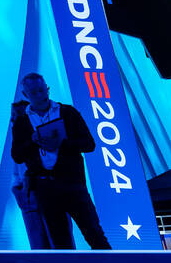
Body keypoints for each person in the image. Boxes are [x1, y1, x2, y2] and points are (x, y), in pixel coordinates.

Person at [11, 73, 111, 250]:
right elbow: (17, 155)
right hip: (45, 187)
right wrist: (32, 141)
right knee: (60, 241)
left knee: (94, 232)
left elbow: (89, 143)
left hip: (72, 183)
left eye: (42, 90)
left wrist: (62, 143)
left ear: (47, 89)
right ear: (26, 95)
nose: (39, 95)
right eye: (33, 92)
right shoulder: (22, 122)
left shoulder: (68, 112)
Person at [9, 100, 54, 249]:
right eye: (13, 116)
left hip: (47, 186)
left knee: (57, 238)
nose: (14, 120)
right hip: (26, 191)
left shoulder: (45, 135)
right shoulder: (17, 144)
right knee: (37, 241)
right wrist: (17, 188)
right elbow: (17, 167)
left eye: (19, 115)